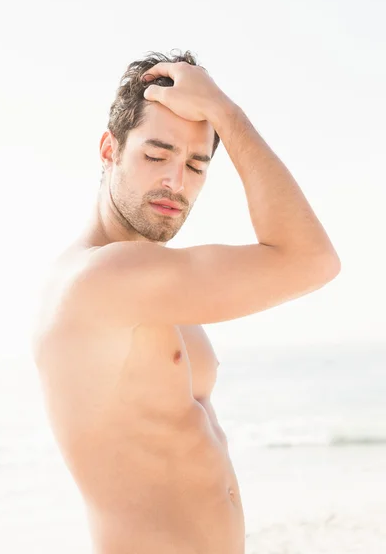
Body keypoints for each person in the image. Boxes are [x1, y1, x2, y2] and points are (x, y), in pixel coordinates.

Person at [32, 49, 341, 554]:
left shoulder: (149, 284)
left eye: (196, 165)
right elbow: (312, 260)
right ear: (109, 149)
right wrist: (226, 112)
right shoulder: (104, 277)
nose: (176, 183)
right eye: (156, 156)